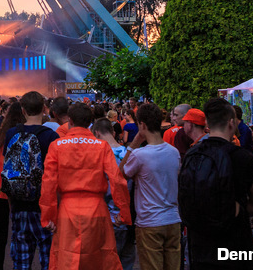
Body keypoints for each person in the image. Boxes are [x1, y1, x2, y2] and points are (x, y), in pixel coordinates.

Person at [41, 103, 131, 270]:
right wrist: (123, 213)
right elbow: (117, 180)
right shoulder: (102, 146)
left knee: (67, 260)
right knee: (100, 260)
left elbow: (48, 183)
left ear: (70, 121)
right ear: (90, 122)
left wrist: (48, 216)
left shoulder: (57, 146)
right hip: (97, 210)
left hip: (68, 211)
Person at [180, 98, 253, 270]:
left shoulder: (192, 154)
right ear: (231, 123)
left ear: (208, 123)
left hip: (201, 247)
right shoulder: (243, 157)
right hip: (235, 247)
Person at [120, 103, 182, 270]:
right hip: (173, 219)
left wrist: (133, 145)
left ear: (143, 125)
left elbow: (121, 174)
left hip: (149, 222)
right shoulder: (173, 152)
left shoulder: (140, 155)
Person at [4, 91, 58, 270]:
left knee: (21, 261)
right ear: (44, 109)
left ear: (23, 110)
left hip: (19, 205)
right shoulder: (51, 136)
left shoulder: (12, 133)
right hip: (45, 208)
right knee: (48, 260)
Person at [92, 118, 136, 270]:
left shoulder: (97, 155)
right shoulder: (129, 154)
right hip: (129, 217)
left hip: (108, 217)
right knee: (127, 261)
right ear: (112, 132)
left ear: (96, 133)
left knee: (108, 262)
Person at [0, 101, 25, 270]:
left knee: (1, 233)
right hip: (21, 188)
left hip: (0, 187)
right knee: (21, 232)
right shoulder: (26, 135)